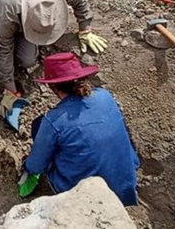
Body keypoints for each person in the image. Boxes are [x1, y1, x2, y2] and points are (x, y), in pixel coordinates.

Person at [0, 0, 108, 130]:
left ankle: (17, 45)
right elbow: (6, 49)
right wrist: (10, 88)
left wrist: (85, 28)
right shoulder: (9, 11)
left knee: (28, 61)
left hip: (24, 21)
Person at [21, 52, 139, 206]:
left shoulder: (55, 121)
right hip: (125, 184)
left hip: (86, 198)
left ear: (52, 86)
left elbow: (37, 166)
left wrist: (26, 165)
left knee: (39, 126)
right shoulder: (105, 96)